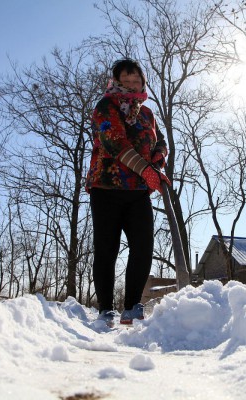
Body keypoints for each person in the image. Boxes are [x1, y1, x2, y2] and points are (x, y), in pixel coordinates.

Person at [85, 58, 170, 327]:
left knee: (143, 247)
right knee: (107, 249)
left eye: (137, 80)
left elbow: (158, 140)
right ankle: (106, 309)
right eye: (126, 80)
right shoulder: (106, 107)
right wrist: (145, 170)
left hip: (137, 192)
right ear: (117, 82)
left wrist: (158, 157)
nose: (132, 84)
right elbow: (114, 142)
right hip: (106, 187)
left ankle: (132, 306)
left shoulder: (147, 114)